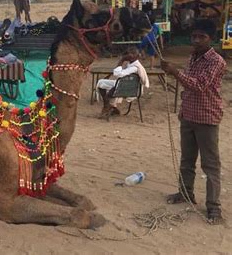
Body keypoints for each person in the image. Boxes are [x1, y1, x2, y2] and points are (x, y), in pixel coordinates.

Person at [161, 19, 226, 225]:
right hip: (188, 115)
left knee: (210, 164)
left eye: (201, 37)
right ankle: (185, 193)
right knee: (187, 160)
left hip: (206, 117)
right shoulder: (193, 58)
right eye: (194, 36)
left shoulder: (216, 61)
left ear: (211, 39)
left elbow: (199, 86)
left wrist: (174, 72)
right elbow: (189, 87)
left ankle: (213, 207)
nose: (196, 40)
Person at [97, 47, 149, 118]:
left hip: (130, 89)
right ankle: (111, 107)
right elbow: (118, 72)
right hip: (124, 85)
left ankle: (107, 106)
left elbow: (118, 74)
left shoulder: (135, 67)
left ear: (136, 56)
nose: (131, 56)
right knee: (101, 83)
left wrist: (122, 60)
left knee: (112, 89)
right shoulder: (130, 64)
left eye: (133, 54)